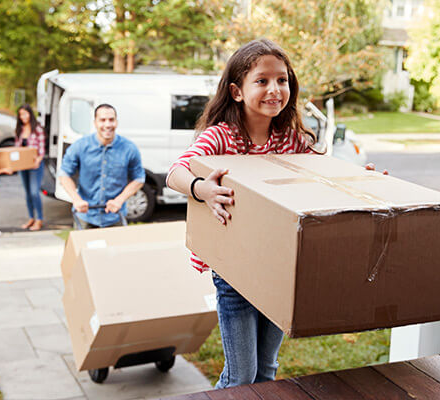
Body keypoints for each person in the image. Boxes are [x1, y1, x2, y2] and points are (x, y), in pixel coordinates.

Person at [166, 39, 386, 389]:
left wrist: (364, 181)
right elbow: (175, 172)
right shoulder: (221, 137)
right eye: (263, 80)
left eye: (282, 80)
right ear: (237, 91)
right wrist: (202, 189)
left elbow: (326, 176)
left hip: (277, 267)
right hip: (235, 270)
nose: (275, 89)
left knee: (267, 370)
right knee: (241, 375)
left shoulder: (291, 139)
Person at [58, 103, 145, 229]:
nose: (107, 125)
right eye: (102, 120)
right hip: (85, 216)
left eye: (111, 120)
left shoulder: (129, 149)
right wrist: (76, 199)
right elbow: (64, 174)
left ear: (117, 122)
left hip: (115, 216)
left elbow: (139, 179)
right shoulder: (80, 146)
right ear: (95, 123)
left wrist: (120, 200)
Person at [15, 104, 46, 231]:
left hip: (35, 165)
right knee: (27, 193)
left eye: (25, 114)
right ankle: (31, 218)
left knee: (34, 192)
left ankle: (39, 219)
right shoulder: (19, 129)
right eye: (21, 114)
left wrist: (38, 160)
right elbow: (17, 148)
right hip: (23, 166)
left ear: (30, 114)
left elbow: (42, 148)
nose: (23, 117)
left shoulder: (37, 128)